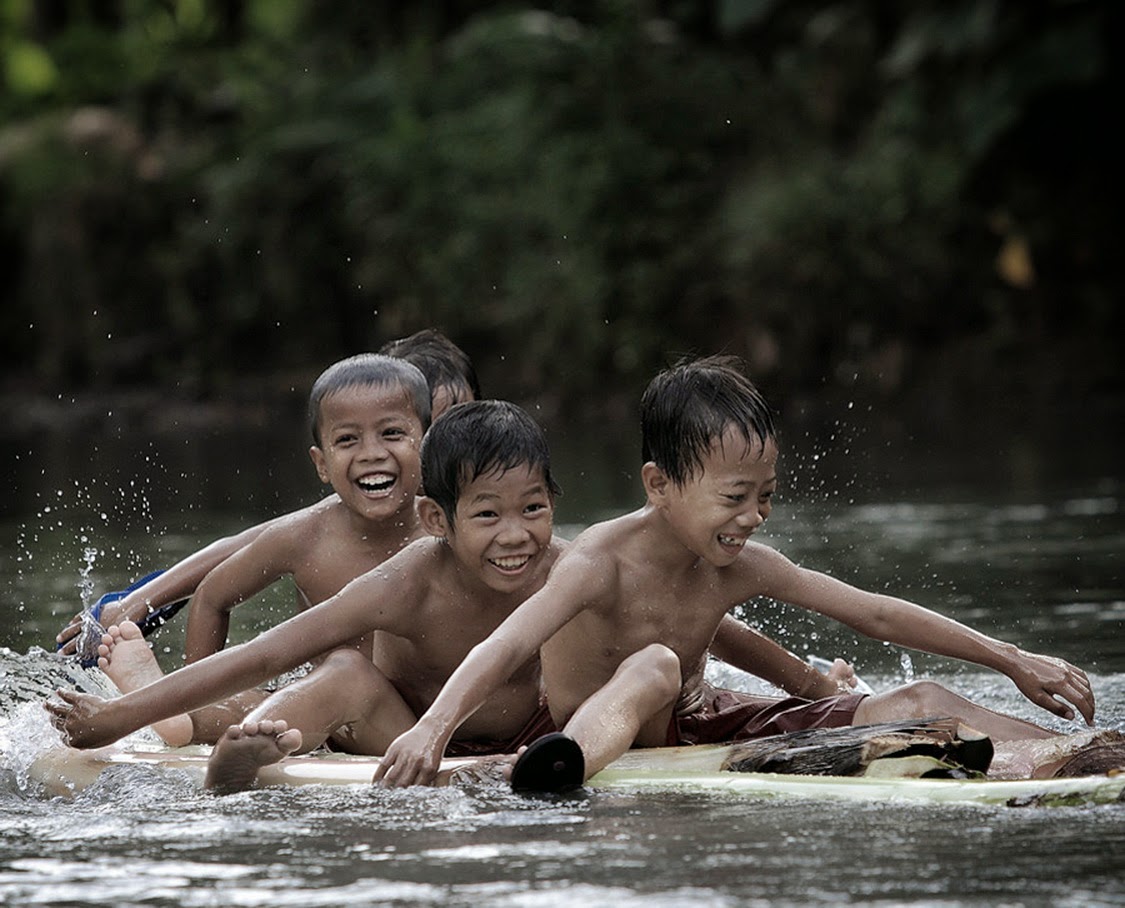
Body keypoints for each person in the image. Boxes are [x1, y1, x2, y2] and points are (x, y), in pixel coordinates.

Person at [371, 355, 1095, 792]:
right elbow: (502, 646)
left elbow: (872, 613)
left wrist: (1012, 658)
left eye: (766, 497)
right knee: (654, 662)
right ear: (658, 486)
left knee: (922, 698)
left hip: (695, 729)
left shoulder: (736, 566)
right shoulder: (594, 562)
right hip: (594, 737)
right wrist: (431, 731)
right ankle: (563, 773)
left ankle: (1081, 760)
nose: (754, 516)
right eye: (734, 498)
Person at [50, 399, 858, 789]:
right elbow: (262, 648)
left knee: (649, 660)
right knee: (338, 674)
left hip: (525, 740)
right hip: (394, 731)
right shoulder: (398, 580)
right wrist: (115, 722)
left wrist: (811, 685)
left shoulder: (565, 563)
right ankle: (217, 745)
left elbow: (700, 622)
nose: (516, 536)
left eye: (534, 511)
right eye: (489, 516)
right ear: (437, 519)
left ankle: (200, 726)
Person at [55, 328, 480, 657]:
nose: (447, 444)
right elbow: (239, 550)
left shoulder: (482, 510)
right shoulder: (332, 520)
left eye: (461, 425)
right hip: (345, 701)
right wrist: (138, 604)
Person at [97, 352, 432, 747]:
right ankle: (182, 716)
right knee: (253, 705)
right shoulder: (304, 535)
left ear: (429, 445)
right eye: (347, 440)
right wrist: (202, 684)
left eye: (391, 433)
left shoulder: (446, 528)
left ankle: (179, 715)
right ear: (321, 464)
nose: (371, 453)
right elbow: (211, 596)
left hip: (417, 723)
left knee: (345, 674)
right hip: (336, 721)